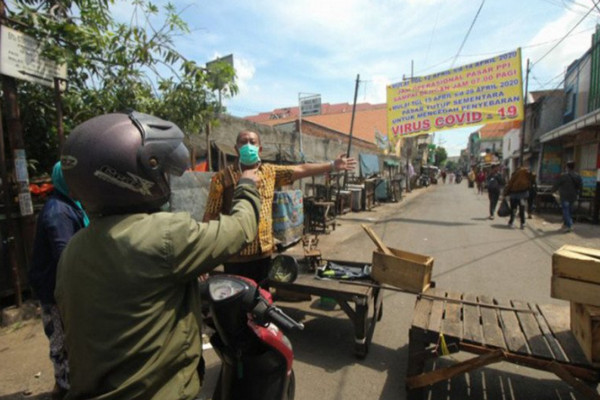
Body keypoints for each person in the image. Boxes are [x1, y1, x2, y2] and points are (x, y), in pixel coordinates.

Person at [55, 111, 261, 400]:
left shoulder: (73, 249)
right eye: (158, 169)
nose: (165, 176)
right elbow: (240, 228)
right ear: (133, 174)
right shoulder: (165, 235)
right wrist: (248, 180)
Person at [203, 130, 356, 287]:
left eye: (253, 142)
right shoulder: (222, 178)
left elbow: (301, 169)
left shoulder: (269, 172)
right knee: (236, 303)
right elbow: (209, 218)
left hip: (264, 256)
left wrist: (332, 165)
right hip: (235, 257)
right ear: (236, 149)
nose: (248, 146)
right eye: (244, 142)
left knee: (260, 301)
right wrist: (204, 262)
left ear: (260, 149)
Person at [28, 162, 89, 400]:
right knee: (61, 341)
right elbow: (65, 254)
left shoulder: (72, 205)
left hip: (63, 287)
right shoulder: (58, 211)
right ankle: (64, 388)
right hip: (55, 290)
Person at [551, 160, 582, 233]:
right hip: (573, 196)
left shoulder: (564, 176)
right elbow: (580, 186)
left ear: (567, 167)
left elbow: (556, 184)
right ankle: (565, 224)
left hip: (565, 196)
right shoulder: (578, 176)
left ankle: (569, 225)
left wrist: (552, 191)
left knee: (565, 211)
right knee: (569, 211)